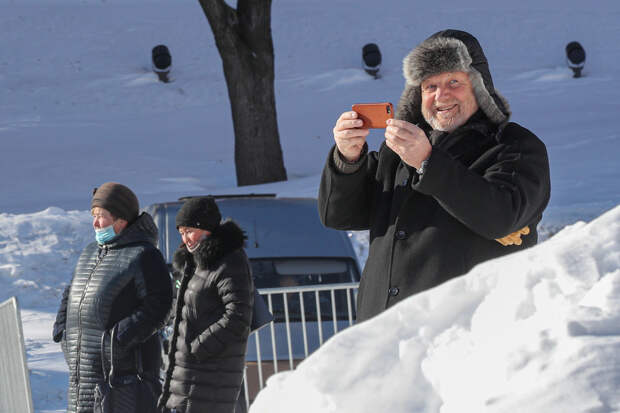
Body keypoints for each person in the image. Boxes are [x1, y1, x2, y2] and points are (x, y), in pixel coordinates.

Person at [318, 29, 551, 322]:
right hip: (381, 333)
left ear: (479, 88)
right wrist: (348, 160)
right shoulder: (396, 151)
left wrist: (428, 163)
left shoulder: (514, 146)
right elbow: (338, 216)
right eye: (430, 86)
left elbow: (501, 217)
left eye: (454, 82)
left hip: (466, 334)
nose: (441, 95)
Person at [52, 182, 173, 412]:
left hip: (120, 383)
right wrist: (62, 331)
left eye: (102, 216)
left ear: (121, 220)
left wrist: (118, 340)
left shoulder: (144, 255)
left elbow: (159, 305)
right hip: (82, 378)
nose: (96, 223)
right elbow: (71, 291)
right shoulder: (89, 252)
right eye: (94, 216)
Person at [159, 196, 254, 413]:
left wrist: (199, 347)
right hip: (188, 372)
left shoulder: (229, 261)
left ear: (208, 228)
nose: (186, 239)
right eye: (181, 233)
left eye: (190, 231)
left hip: (211, 371)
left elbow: (238, 315)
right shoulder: (194, 263)